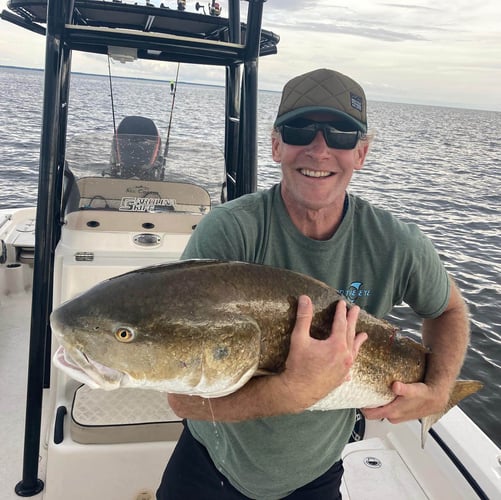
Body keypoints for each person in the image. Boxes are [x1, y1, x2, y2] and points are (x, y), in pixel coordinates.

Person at [156, 68, 470, 499]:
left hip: (315, 473)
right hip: (210, 463)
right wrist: (291, 391)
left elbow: (449, 309)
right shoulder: (228, 234)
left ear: (361, 153)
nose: (320, 149)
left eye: (342, 134)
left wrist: (436, 391)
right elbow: (185, 400)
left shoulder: (397, 244)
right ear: (276, 144)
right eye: (300, 129)